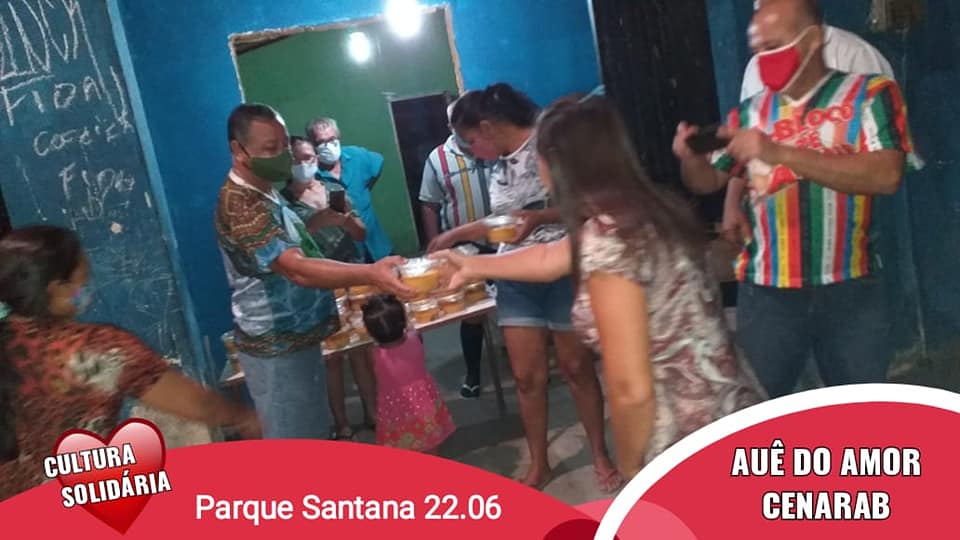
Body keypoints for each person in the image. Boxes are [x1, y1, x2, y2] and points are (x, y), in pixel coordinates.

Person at [436, 95, 763, 479]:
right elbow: (547, 259)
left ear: (559, 165)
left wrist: (630, 466)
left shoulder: (610, 242)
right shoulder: (644, 210)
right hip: (729, 405)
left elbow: (631, 391)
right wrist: (470, 265)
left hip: (686, 436)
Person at [672, 0, 920, 398]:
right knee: (763, 407)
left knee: (857, 409)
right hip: (767, 292)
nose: (764, 60)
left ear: (813, 39)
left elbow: (887, 175)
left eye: (774, 47)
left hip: (850, 286)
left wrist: (779, 153)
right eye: (758, 50)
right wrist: (690, 159)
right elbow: (708, 181)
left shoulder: (869, 95)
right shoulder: (749, 113)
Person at [435, 84, 621, 491]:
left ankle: (599, 453)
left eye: (471, 141)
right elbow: (503, 220)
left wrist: (540, 219)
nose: (470, 151)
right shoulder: (497, 166)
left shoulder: (549, 142)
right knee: (525, 378)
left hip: (561, 269)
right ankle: (540, 463)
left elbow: (585, 206)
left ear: (488, 127)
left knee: (577, 368)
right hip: (516, 276)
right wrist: (454, 235)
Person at [0, 226, 261, 500]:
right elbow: (199, 404)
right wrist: (244, 417)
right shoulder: (95, 348)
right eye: (82, 282)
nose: (87, 291)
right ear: (56, 289)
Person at [215, 104, 412, 440]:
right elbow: (295, 269)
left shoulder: (264, 189)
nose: (282, 156)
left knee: (313, 432)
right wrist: (370, 273)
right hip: (276, 345)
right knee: (294, 442)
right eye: (270, 148)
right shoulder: (240, 203)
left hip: (299, 335)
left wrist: (325, 220)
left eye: (283, 146)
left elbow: (292, 239)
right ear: (238, 150)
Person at [722, 0, 895, 245]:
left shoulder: (857, 57)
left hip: (847, 237)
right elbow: (746, 146)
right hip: (775, 240)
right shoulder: (757, 66)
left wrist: (784, 154)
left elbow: (885, 167)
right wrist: (732, 202)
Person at [283, 136, 377, 440]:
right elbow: (290, 246)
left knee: (361, 348)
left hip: (352, 277)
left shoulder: (334, 190)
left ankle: (372, 412)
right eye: (297, 159)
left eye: (309, 157)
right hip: (317, 285)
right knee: (331, 358)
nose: (305, 164)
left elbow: (362, 234)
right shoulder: (283, 203)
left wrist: (346, 221)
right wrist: (317, 222)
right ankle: (341, 422)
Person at [420, 92, 494, 399]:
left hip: (505, 241)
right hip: (464, 247)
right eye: (455, 124)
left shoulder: (491, 147)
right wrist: (436, 244)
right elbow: (429, 203)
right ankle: (473, 373)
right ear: (449, 125)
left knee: (515, 299)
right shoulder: (437, 159)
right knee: (471, 311)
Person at [361, 295, 455, 454]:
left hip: (394, 410)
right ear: (403, 321)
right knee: (430, 440)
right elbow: (412, 331)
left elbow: (370, 373)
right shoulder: (416, 338)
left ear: (370, 332)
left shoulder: (373, 355)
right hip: (424, 402)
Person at [307, 117, 393, 262]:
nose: (328, 146)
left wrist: (364, 189)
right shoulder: (311, 174)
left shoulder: (356, 156)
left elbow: (378, 164)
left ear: (339, 137)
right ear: (312, 144)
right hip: (346, 256)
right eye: (321, 142)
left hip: (378, 246)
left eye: (332, 139)